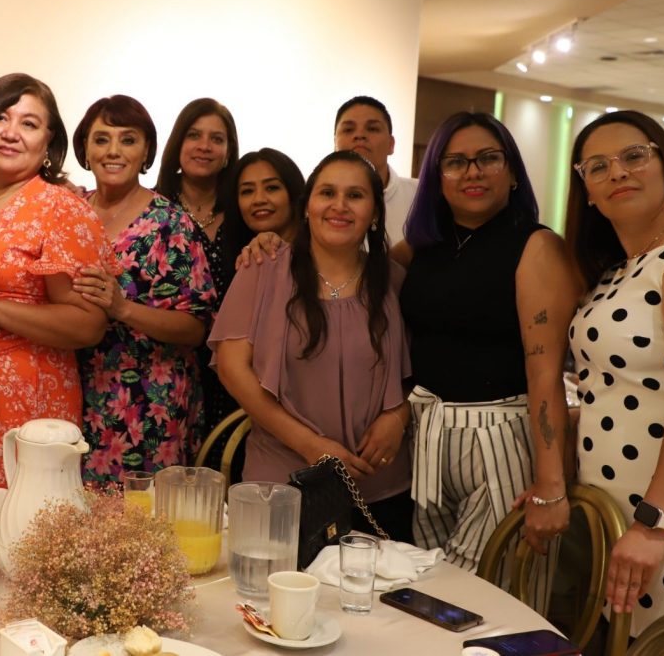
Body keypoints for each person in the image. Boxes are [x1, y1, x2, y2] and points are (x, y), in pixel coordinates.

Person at [564, 110, 664, 649]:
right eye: (597, 166)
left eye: (634, 156)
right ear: (587, 192)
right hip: (624, 510)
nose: (618, 172)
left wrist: (654, 523)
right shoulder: (620, 266)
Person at [393, 112, 577, 572]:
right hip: (424, 434)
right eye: (455, 162)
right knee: (423, 583)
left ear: (512, 172)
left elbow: (545, 373)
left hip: (502, 435)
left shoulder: (537, 246)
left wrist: (551, 485)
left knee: (487, 591)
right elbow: (352, 272)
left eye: (488, 159)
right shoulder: (421, 245)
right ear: (437, 177)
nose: (472, 172)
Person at [211, 150, 414, 541]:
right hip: (281, 482)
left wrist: (398, 417)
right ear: (307, 207)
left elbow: (423, 372)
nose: (339, 205)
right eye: (327, 193)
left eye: (355, 195)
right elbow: (232, 369)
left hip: (378, 484)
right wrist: (310, 445)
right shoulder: (263, 268)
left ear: (374, 212)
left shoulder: (394, 281)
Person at [0, 73, 112, 492]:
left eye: (29, 123)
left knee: (15, 518)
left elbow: (87, 324)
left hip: (26, 400)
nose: (10, 133)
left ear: (48, 139)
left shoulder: (61, 210)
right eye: (0, 118)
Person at [70, 95, 215, 483]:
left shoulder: (171, 224)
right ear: (85, 149)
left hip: (149, 405)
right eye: (102, 139)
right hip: (75, 394)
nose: (113, 151)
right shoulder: (71, 213)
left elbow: (196, 328)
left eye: (128, 139)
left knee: (144, 516)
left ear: (147, 150)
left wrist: (123, 309)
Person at [154, 99, 241, 447]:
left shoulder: (244, 211)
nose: (204, 146)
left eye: (216, 139)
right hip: (167, 368)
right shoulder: (151, 207)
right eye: (194, 135)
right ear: (177, 143)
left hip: (233, 370)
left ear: (228, 152)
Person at [334, 96, 417, 244]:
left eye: (372, 129)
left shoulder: (420, 195)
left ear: (391, 144)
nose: (359, 135)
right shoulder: (313, 196)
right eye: (348, 129)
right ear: (335, 143)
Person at [220, 148, 305, 265]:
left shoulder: (321, 249)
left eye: (272, 188)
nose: (259, 200)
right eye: (247, 191)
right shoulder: (245, 259)